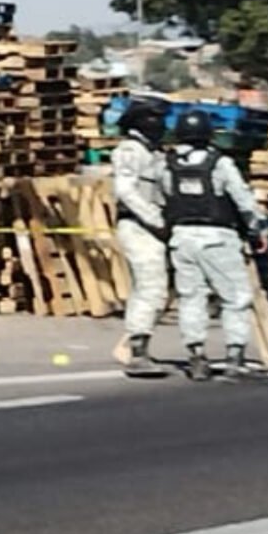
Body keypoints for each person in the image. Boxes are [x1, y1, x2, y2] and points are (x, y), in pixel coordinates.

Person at [161, 109, 268, 382]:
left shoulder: (168, 164)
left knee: (191, 298)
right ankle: (235, 357)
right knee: (235, 298)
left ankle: (196, 357)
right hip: (218, 238)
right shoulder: (219, 163)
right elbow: (243, 200)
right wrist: (258, 228)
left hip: (181, 238)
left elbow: (164, 198)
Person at [112, 96, 170, 377]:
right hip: (138, 225)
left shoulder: (156, 152)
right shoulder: (129, 151)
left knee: (161, 290)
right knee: (151, 287)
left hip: (158, 227)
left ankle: (132, 340)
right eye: (154, 118)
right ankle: (138, 351)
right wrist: (155, 219)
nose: (160, 124)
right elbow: (125, 190)